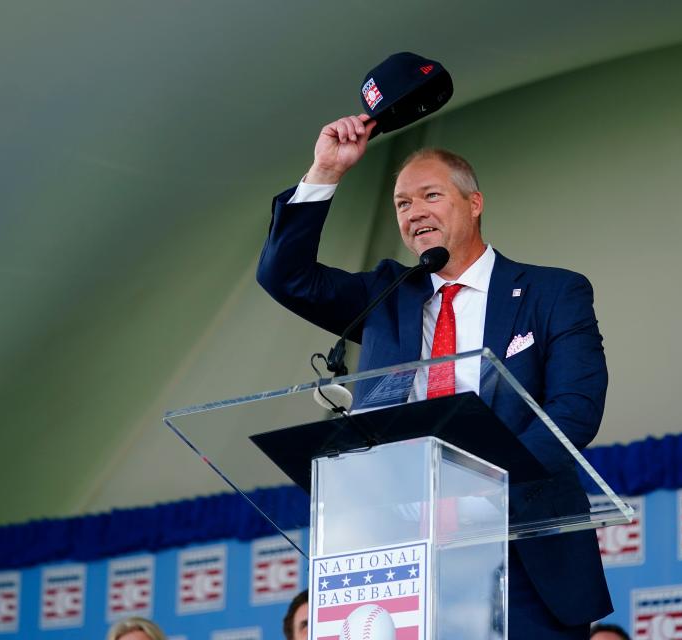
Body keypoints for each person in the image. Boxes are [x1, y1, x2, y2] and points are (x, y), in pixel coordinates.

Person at [257, 113, 610, 639]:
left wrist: (483, 492)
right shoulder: (386, 296)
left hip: (523, 555)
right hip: (399, 562)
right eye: (402, 203)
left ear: (474, 202)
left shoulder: (552, 293)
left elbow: (574, 412)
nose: (414, 212)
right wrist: (325, 170)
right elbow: (284, 276)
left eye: (429, 196)